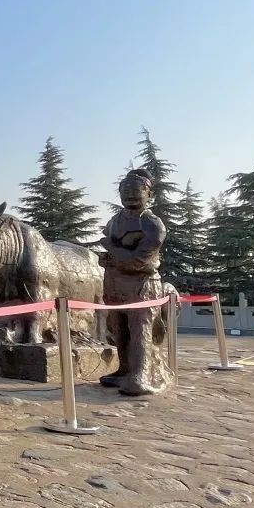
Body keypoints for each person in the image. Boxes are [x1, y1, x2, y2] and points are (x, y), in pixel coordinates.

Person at [99, 169, 172, 395]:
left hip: (141, 285)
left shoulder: (152, 224)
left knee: (140, 330)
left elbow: (138, 261)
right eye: (125, 190)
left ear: (149, 194)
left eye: (136, 189)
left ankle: (141, 375)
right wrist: (107, 259)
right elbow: (117, 254)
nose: (130, 194)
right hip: (114, 283)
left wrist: (111, 248)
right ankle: (124, 370)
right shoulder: (114, 221)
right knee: (119, 329)